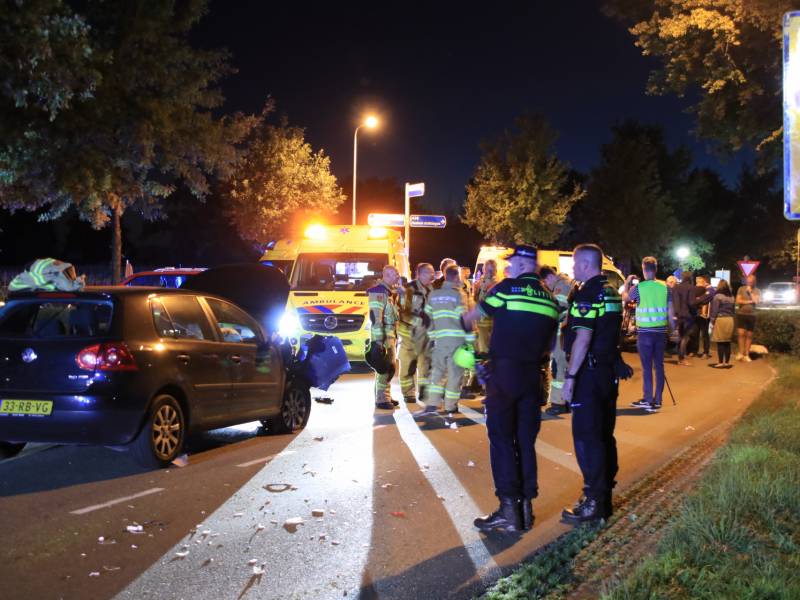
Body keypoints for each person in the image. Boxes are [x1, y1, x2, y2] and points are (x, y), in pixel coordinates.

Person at [460, 245, 559, 532]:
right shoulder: (551, 300)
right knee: (525, 442)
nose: (509, 266)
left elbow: (471, 318)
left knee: (502, 438)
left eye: (512, 262)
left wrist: (462, 326)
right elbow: (551, 345)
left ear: (523, 263)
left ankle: (508, 509)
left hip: (504, 375)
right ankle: (526, 508)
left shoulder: (506, 289)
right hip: (533, 376)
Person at [560, 244, 624, 523]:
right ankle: (604, 497)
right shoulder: (611, 292)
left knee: (587, 439)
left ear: (586, 264)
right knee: (604, 435)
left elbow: (583, 339)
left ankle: (593, 502)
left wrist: (571, 377)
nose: (573, 269)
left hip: (589, 375)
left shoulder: (587, 294)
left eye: (575, 264)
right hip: (607, 375)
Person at [416, 266, 474, 414]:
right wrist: (470, 339)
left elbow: (426, 317)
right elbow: (464, 318)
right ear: (456, 277)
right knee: (455, 374)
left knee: (437, 372)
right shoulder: (458, 295)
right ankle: (450, 406)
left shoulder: (434, 294)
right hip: (456, 340)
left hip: (439, 340)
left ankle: (432, 403)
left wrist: (430, 335)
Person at [623, 257, 675, 413]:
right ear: (656, 269)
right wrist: (672, 330)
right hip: (660, 333)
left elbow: (626, 299)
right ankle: (658, 400)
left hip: (645, 334)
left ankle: (647, 399)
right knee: (659, 366)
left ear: (644, 269)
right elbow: (671, 313)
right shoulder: (666, 287)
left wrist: (627, 283)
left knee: (647, 368)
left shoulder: (639, 288)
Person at [397, 263, 435, 403]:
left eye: (432, 273)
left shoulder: (432, 289)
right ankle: (408, 393)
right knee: (408, 364)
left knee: (425, 364)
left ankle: (424, 391)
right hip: (409, 334)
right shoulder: (408, 289)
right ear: (420, 274)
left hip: (426, 334)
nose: (432, 275)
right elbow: (402, 312)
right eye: (428, 273)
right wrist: (419, 321)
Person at [539, 265, 574, 415]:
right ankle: (566, 401)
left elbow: (558, 310)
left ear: (549, 278)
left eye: (546, 282)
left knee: (560, 366)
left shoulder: (561, 286)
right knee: (563, 367)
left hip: (563, 333)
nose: (547, 286)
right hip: (564, 333)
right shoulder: (564, 284)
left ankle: (558, 403)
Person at [367, 266, 401, 409]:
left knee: (388, 368)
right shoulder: (378, 293)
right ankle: (381, 399)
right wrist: (378, 342)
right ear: (387, 275)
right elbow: (376, 319)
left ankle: (385, 395)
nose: (398, 277)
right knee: (385, 369)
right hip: (384, 338)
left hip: (390, 336)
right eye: (395, 275)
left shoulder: (388, 292)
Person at [473, 259, 499, 356]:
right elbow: (475, 297)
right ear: (484, 269)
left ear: (495, 270)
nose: (488, 272)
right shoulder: (479, 282)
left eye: (491, 270)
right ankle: (483, 357)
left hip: (492, 317)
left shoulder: (497, 283)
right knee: (482, 341)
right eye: (487, 269)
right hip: (481, 317)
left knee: (491, 340)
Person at [710, 279, 736, 368]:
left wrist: (712, 320)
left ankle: (721, 362)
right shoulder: (732, 297)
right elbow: (733, 310)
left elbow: (715, 310)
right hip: (730, 320)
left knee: (720, 342)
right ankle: (727, 362)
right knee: (727, 342)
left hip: (721, 319)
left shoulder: (717, 296)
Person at [735, 275, 761, 361]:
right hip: (741, 314)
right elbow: (738, 301)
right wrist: (750, 301)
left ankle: (746, 354)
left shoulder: (757, 290)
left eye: (751, 281)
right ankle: (741, 353)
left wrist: (750, 293)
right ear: (746, 281)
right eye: (748, 281)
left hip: (752, 315)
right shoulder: (741, 289)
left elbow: (757, 301)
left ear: (754, 281)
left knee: (749, 335)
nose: (749, 283)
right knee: (741, 334)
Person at [692, 275, 714, 358]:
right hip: (697, 314)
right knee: (695, 333)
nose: (697, 284)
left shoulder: (710, 290)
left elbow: (704, 299)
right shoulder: (701, 290)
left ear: (705, 281)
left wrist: (697, 299)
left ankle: (705, 352)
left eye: (699, 282)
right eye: (696, 282)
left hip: (704, 316)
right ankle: (694, 351)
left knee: (704, 334)